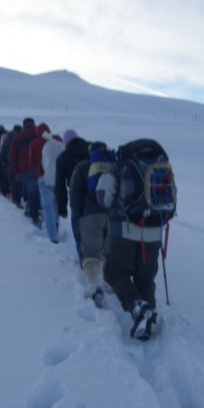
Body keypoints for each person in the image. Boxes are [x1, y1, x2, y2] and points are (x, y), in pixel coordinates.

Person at [95, 138, 176, 340]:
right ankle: (149, 318)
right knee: (145, 278)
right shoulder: (161, 167)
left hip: (123, 231)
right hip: (154, 233)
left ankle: (139, 309)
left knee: (114, 273)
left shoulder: (119, 167)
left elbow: (103, 197)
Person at [68, 142, 115, 306]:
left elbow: (74, 196)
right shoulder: (114, 167)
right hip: (111, 216)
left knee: (90, 252)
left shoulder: (83, 167)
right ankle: (106, 281)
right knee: (106, 250)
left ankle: (95, 286)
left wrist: (77, 216)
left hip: (90, 215)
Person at [55, 130, 90, 261]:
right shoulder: (93, 149)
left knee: (78, 229)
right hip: (99, 195)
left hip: (77, 197)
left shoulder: (63, 157)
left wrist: (62, 208)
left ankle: (83, 260)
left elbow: (60, 186)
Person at [30, 126, 64, 243]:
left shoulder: (35, 143)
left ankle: (53, 236)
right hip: (58, 177)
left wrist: (38, 170)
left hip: (43, 178)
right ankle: (56, 222)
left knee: (47, 207)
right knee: (56, 203)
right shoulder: (58, 139)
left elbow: (32, 162)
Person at [10, 118, 37, 215]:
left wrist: (17, 172)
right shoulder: (39, 135)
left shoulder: (18, 138)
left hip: (25, 169)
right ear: (34, 124)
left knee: (30, 191)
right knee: (41, 190)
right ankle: (40, 209)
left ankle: (32, 211)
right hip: (41, 168)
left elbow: (13, 157)